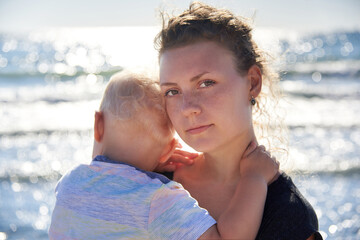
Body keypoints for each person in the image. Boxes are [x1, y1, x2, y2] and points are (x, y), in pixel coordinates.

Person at [156, 2, 322, 240]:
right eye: (172, 91)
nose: (187, 108)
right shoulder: (154, 181)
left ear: (252, 83)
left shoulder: (289, 214)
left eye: (206, 83)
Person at [49, 71, 279, 239]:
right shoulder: (159, 199)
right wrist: (254, 178)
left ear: (98, 124)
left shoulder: (69, 183)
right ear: (169, 150)